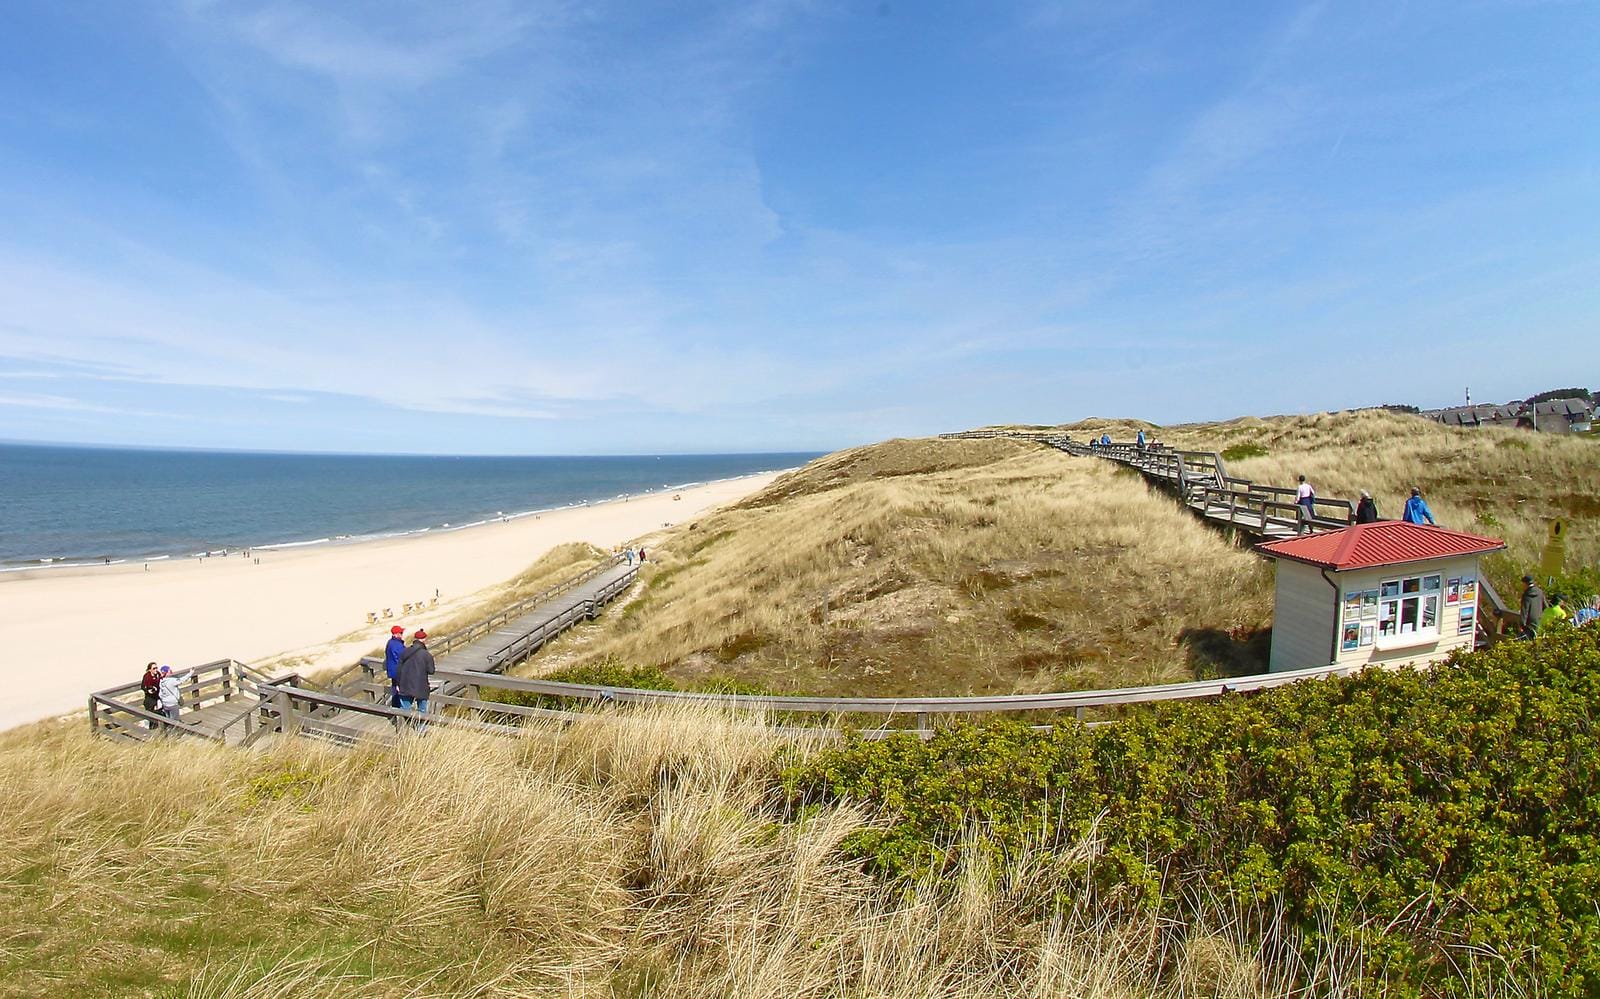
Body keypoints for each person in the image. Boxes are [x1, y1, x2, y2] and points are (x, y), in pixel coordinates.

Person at [395, 629, 435, 727]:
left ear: (415, 639)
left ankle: (407, 726)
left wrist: (398, 683)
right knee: (422, 710)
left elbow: (399, 669)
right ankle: (420, 730)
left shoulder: (405, 651)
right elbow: (431, 671)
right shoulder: (426, 655)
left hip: (405, 684)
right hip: (421, 686)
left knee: (405, 709)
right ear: (424, 640)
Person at [383, 625, 406, 708]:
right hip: (398, 671)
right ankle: (399, 709)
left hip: (393, 671)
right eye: (401, 633)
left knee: (395, 689)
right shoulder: (396, 644)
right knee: (399, 691)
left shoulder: (390, 642)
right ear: (396, 634)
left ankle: (395, 707)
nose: (402, 634)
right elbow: (402, 657)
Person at [140, 662, 162, 729]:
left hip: (158, 697)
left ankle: (161, 729)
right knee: (152, 717)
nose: (156, 670)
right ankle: (152, 729)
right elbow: (143, 687)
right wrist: (148, 690)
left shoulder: (158, 674)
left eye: (156, 668)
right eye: (154, 668)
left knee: (160, 714)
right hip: (150, 699)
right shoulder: (147, 676)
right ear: (150, 670)